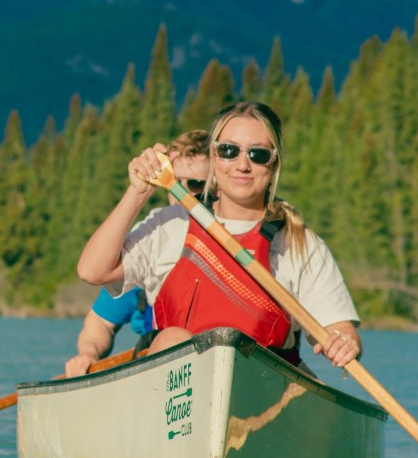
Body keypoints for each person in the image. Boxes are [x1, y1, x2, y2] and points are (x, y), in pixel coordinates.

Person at [73, 101, 362, 370]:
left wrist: (344, 341)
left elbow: (339, 327)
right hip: (175, 393)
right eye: (229, 151)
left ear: (274, 163)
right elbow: (92, 271)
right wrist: (137, 193)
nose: (242, 164)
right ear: (214, 156)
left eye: (258, 154)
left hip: (260, 386)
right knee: (173, 339)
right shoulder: (170, 224)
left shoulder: (300, 243)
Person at [63, 130, 208, 375]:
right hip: (162, 366)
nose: (179, 193)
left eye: (194, 184)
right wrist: (88, 355)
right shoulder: (153, 242)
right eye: (173, 181)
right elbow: (99, 323)